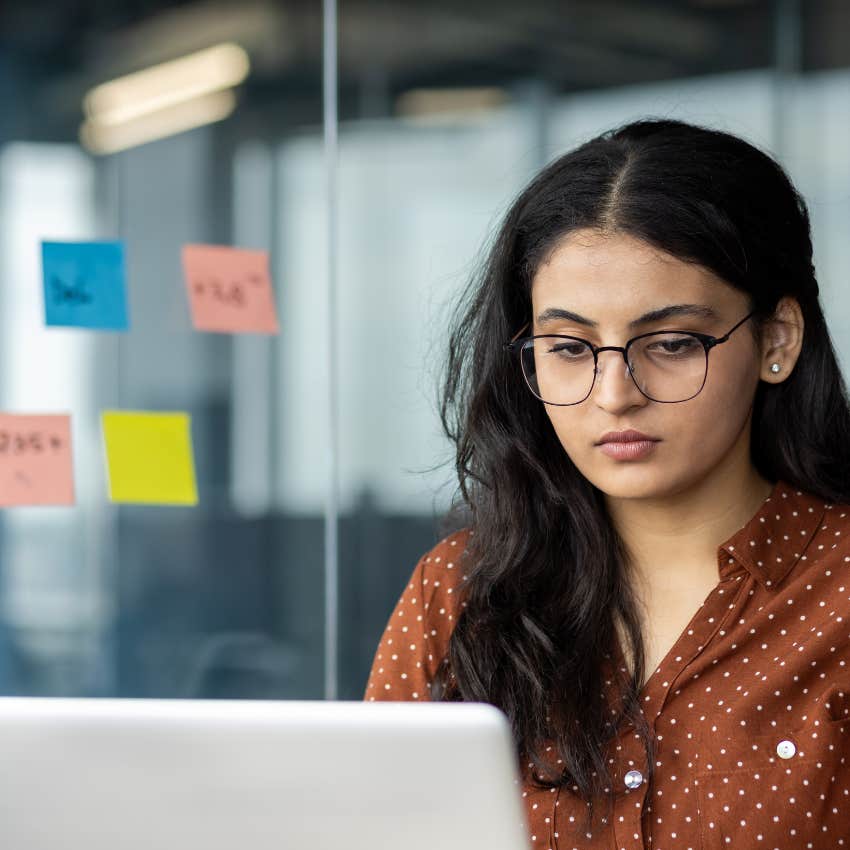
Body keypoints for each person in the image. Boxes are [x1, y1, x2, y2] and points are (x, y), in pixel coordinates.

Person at [363, 117, 850, 850]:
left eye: (673, 343)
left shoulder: (837, 597)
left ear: (776, 341)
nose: (614, 393)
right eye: (569, 347)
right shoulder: (457, 595)